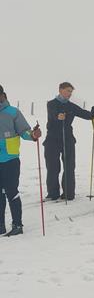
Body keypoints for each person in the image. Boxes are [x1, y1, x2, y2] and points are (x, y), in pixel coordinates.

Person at [0, 85, 42, 236]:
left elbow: (24, 131)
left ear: (3, 95)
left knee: (11, 191)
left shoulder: (13, 112)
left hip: (10, 159)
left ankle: (17, 225)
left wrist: (33, 135)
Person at [44, 81, 94, 201]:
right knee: (53, 167)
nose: (70, 93)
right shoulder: (51, 104)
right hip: (52, 140)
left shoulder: (71, 106)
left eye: (71, 92)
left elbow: (85, 114)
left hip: (68, 140)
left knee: (69, 167)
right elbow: (52, 114)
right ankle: (53, 193)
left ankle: (69, 193)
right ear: (60, 90)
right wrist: (58, 116)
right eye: (68, 91)